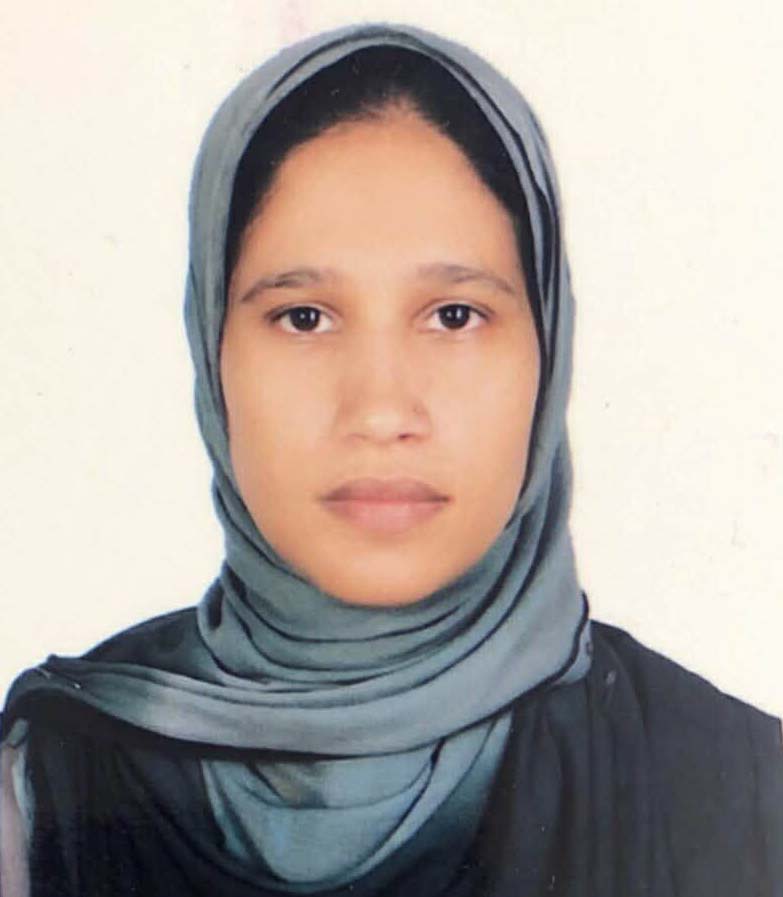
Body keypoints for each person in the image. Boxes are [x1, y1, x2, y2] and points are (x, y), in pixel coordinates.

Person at [1, 21, 781, 897]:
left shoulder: (743, 798)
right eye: (304, 317)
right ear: (212, 349)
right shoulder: (42, 791)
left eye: (454, 315)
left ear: (548, 348)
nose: (379, 411)